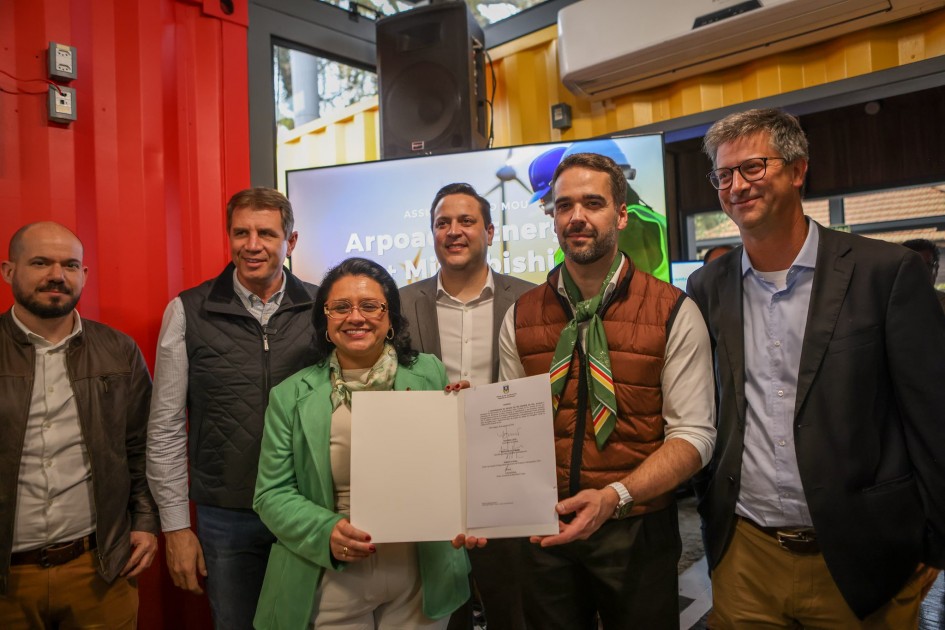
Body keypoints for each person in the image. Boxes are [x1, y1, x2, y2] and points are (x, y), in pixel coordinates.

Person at [687, 108, 945, 627]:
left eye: (754, 168)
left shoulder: (886, 273)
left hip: (866, 557)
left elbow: (933, 417)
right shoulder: (706, 288)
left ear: (798, 169)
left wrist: (934, 544)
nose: (737, 185)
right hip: (746, 555)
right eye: (724, 174)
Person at [498, 152, 716, 629]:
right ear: (551, 216)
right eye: (563, 205)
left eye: (592, 203)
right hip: (545, 531)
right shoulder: (521, 315)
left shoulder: (673, 310)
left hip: (636, 529)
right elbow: (513, 431)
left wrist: (615, 495)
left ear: (621, 214)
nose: (576, 217)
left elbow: (695, 436)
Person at [253, 257, 479, 629]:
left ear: (390, 317)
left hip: (421, 574)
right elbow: (271, 493)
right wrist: (325, 531)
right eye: (341, 307)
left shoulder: (430, 372)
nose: (355, 317)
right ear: (325, 319)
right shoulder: (290, 395)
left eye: (370, 306)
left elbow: (450, 466)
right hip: (332, 571)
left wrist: (470, 418)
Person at [146, 187, 318, 629]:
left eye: (266, 233)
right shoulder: (187, 311)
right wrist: (176, 527)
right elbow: (165, 426)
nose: (252, 245)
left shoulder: (323, 309)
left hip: (308, 508)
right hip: (226, 517)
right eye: (241, 233)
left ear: (290, 242)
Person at [0, 222, 158, 628]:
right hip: (8, 580)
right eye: (40, 262)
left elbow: (140, 447)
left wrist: (144, 522)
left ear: (84, 275)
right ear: (8, 271)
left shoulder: (119, 351)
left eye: (70, 265)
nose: (57, 275)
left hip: (98, 572)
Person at [400, 183, 534, 630]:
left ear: (490, 232)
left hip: (506, 475)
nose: (453, 231)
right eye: (443, 223)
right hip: (428, 477)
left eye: (466, 221)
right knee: (440, 611)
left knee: (512, 606)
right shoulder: (399, 305)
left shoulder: (531, 299)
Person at [903, 238, 945, 313]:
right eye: (911, 267)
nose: (919, 273)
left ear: (936, 269)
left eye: (926, 266)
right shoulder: (886, 308)